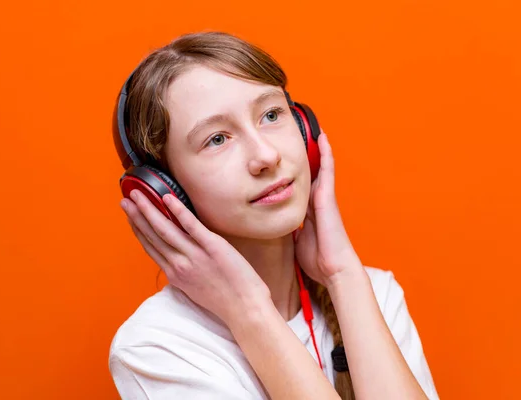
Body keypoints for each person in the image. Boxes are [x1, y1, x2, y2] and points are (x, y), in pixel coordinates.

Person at [108, 31, 439, 400]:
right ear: (163, 190)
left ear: (304, 130)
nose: (266, 155)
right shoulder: (157, 348)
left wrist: (342, 272)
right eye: (217, 138)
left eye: (270, 114)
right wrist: (248, 311)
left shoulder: (371, 294)